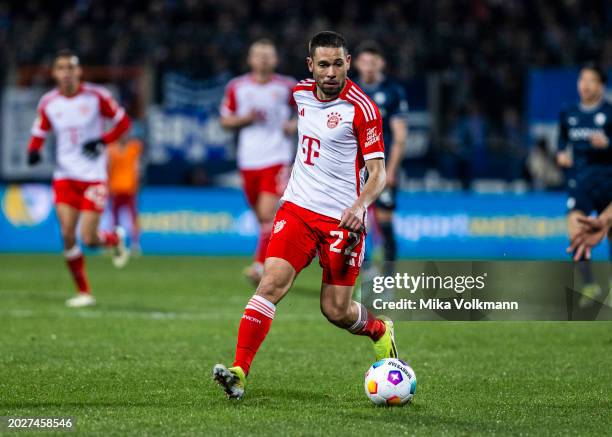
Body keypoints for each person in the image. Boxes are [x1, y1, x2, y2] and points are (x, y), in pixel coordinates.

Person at [213, 31, 398, 400]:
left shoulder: (362, 109)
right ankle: (239, 372)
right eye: (324, 64)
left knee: (336, 311)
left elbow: (378, 173)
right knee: (270, 284)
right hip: (297, 208)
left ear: (348, 63)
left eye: (338, 63)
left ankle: (379, 330)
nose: (331, 72)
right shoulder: (299, 93)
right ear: (310, 65)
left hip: (342, 221)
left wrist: (359, 207)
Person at [26, 50, 131, 308]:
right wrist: (33, 150)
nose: (66, 73)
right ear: (54, 73)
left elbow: (124, 122)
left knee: (89, 238)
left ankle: (114, 239)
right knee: (67, 234)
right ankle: (84, 292)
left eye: (70, 68)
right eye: (61, 68)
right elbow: (40, 130)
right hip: (65, 176)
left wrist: (102, 141)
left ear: (79, 72)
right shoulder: (48, 101)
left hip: (93, 177)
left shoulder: (97, 97)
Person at [220, 39, 297, 285]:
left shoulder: (288, 87)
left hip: (276, 157)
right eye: (258, 55)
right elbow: (225, 120)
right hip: (248, 159)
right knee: (263, 219)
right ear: (250, 60)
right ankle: (283, 257)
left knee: (267, 214)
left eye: (268, 55)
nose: (263, 59)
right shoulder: (237, 87)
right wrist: (244, 119)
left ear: (275, 60)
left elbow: (307, 115)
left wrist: (293, 126)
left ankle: (260, 267)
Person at [556, 63, 612, 307]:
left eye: (591, 80)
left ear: (601, 85)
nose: (585, 85)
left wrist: (608, 145)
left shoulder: (609, 113)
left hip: (608, 181)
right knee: (575, 228)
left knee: (609, 231)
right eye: (582, 80)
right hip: (580, 181)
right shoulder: (568, 113)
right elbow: (561, 144)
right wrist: (561, 156)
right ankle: (589, 283)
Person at [353, 41, 408, 266]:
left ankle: (387, 277)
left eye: (373, 62)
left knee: (385, 222)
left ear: (381, 64)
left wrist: (391, 171)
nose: (369, 66)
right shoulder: (350, 90)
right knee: (356, 224)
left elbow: (400, 136)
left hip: (381, 166)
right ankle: (365, 273)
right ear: (356, 63)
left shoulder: (393, 92)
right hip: (356, 169)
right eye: (365, 62)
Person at [108, 135, 143, 253]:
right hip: (115, 188)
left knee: (133, 217)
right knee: (115, 218)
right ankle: (115, 243)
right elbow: (108, 168)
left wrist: (136, 184)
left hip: (129, 189)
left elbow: (137, 167)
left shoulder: (134, 148)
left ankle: (135, 243)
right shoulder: (111, 149)